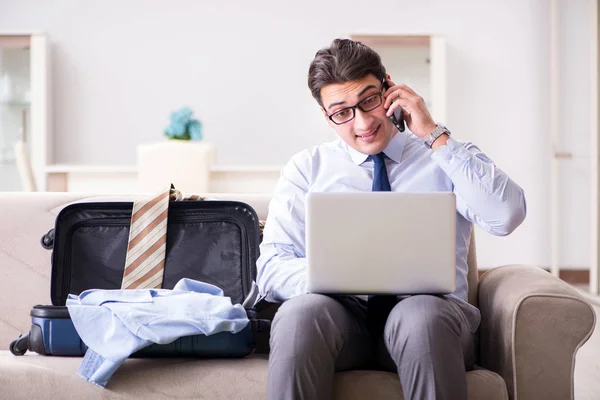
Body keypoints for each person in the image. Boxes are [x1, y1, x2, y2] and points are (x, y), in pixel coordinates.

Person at [256, 38, 526, 400]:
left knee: (421, 316)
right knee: (300, 314)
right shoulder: (307, 169)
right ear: (326, 115)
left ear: (389, 88)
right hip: (343, 321)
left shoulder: (442, 154)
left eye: (369, 100)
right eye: (342, 112)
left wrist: (433, 133)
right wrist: (339, 274)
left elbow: (506, 215)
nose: (363, 122)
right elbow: (271, 268)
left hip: (431, 319)